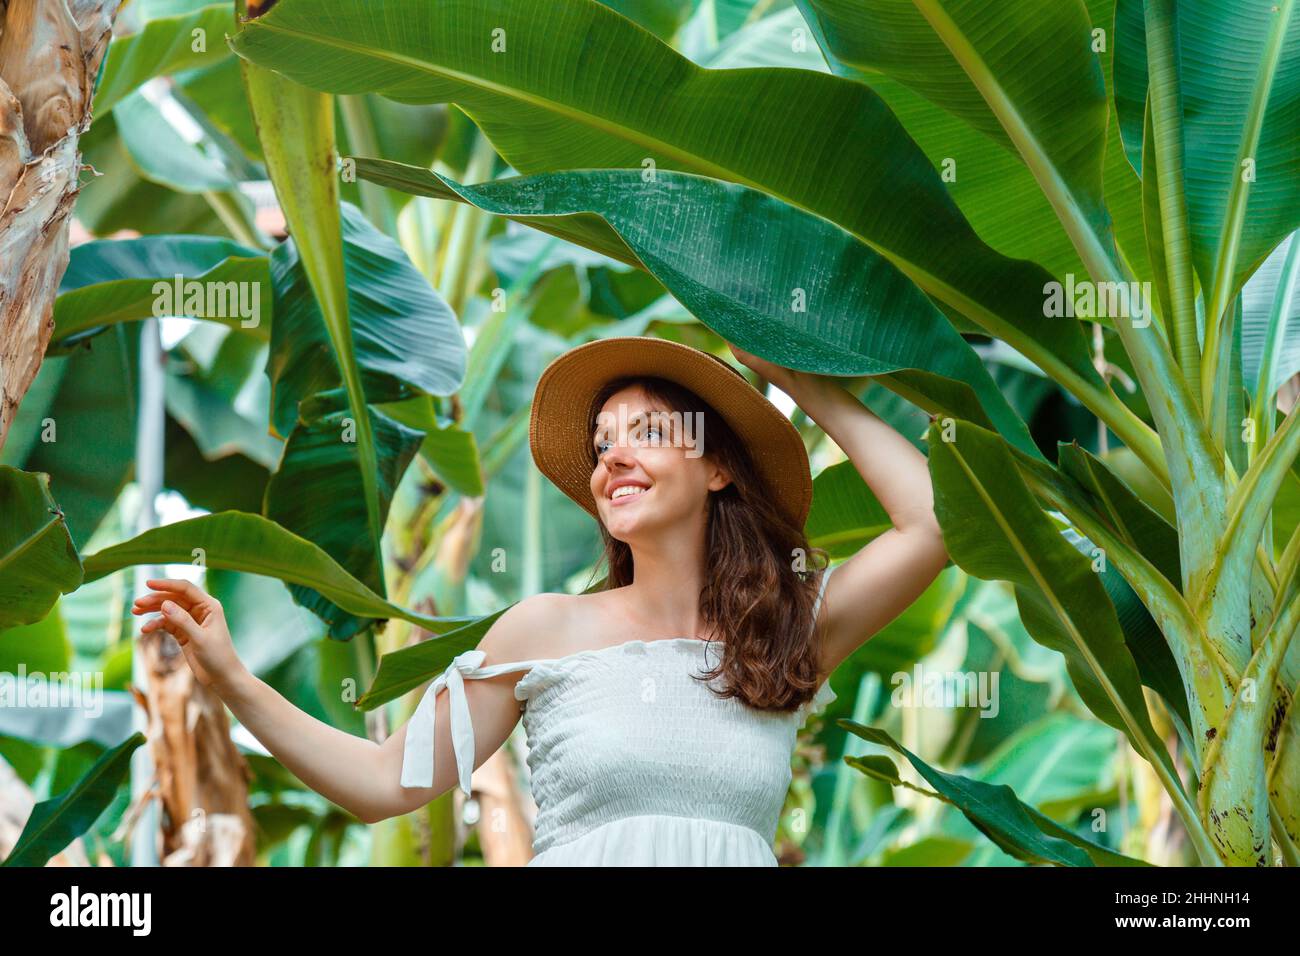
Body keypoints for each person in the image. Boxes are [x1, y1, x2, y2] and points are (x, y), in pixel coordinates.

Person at [132, 335, 949, 865]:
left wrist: (800, 383)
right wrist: (234, 678)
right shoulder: (545, 629)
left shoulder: (780, 635)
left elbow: (932, 524)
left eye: (648, 435)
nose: (613, 458)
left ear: (718, 468)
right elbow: (387, 781)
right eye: (602, 445)